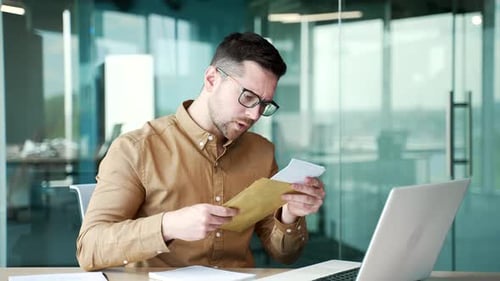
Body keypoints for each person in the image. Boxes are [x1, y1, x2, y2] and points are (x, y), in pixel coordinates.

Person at [76, 31, 326, 271]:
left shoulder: (261, 152)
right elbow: (89, 248)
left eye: (263, 105)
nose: (254, 115)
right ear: (211, 79)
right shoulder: (136, 149)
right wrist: (168, 225)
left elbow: (284, 254)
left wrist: (290, 215)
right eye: (248, 97)